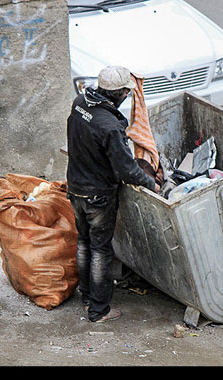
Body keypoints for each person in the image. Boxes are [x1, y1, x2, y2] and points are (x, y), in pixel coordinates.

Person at [66, 65, 160, 323]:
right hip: (98, 196)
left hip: (75, 188)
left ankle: (87, 298)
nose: (126, 98)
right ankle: (99, 310)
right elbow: (126, 169)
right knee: (100, 250)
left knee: (83, 243)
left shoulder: (79, 103)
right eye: (125, 94)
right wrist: (151, 184)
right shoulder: (109, 126)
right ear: (117, 93)